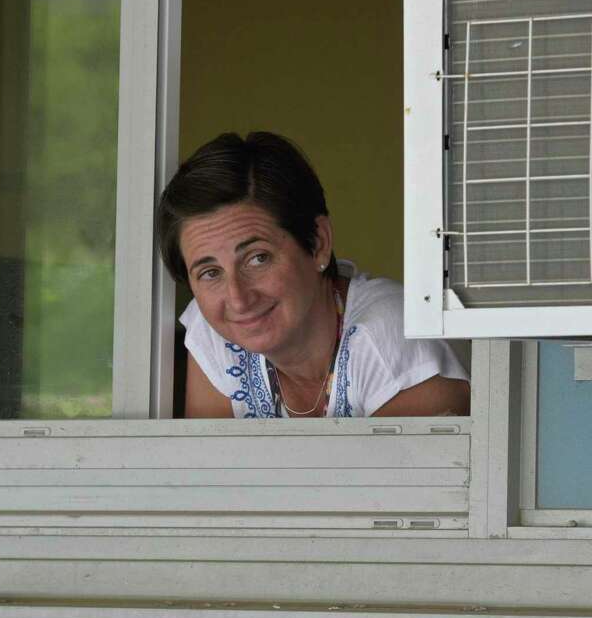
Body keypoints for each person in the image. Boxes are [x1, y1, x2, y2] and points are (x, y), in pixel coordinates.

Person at [157, 131, 470, 419]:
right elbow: (211, 462)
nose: (238, 299)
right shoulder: (213, 334)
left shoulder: (393, 338)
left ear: (318, 243)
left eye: (258, 258)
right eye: (210, 272)